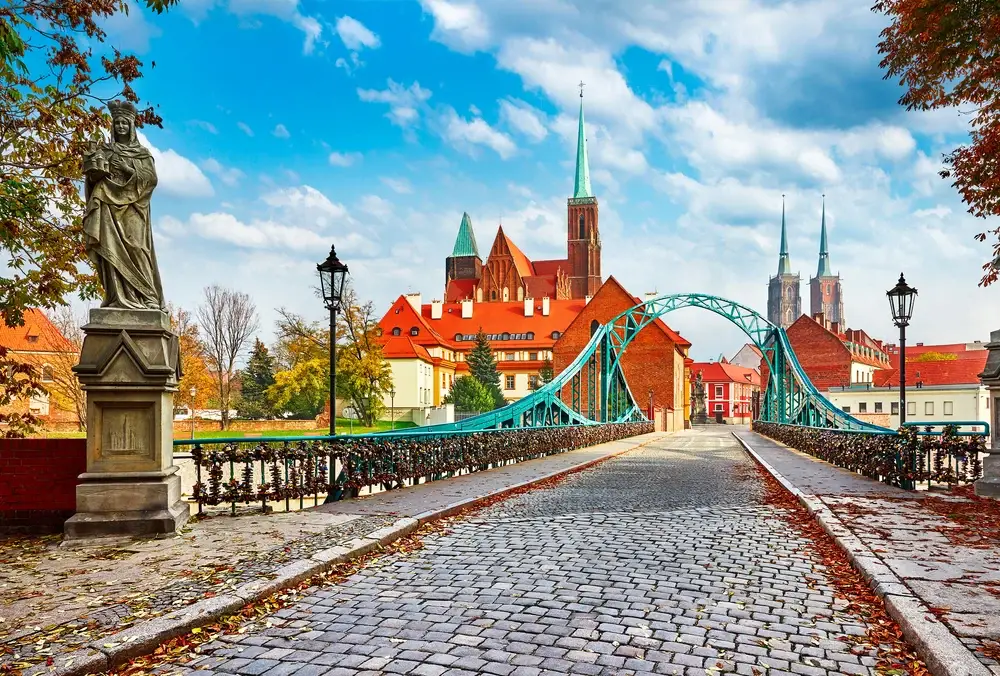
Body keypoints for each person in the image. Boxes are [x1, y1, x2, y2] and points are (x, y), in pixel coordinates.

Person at [83, 99, 165, 310]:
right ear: (113, 125)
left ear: (131, 127)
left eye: (124, 123)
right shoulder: (106, 151)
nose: (120, 126)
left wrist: (128, 169)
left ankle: (148, 296)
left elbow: (151, 180)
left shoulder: (142, 154)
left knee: (137, 248)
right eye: (117, 123)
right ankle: (116, 296)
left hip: (134, 208)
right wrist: (94, 172)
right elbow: (92, 180)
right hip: (109, 205)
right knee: (111, 249)